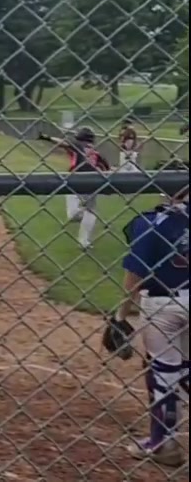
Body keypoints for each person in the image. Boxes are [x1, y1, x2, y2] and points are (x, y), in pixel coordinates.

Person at [115, 189, 188, 467]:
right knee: (186, 368)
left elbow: (135, 271)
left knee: (163, 371)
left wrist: (121, 316)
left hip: (162, 304)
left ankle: (163, 444)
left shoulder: (150, 221)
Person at [40, 127, 111, 249]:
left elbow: (63, 143)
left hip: (73, 181)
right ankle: (86, 226)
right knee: (88, 212)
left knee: (74, 214)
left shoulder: (78, 145)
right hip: (90, 182)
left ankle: (84, 236)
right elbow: (106, 169)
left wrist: (47, 138)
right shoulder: (96, 153)